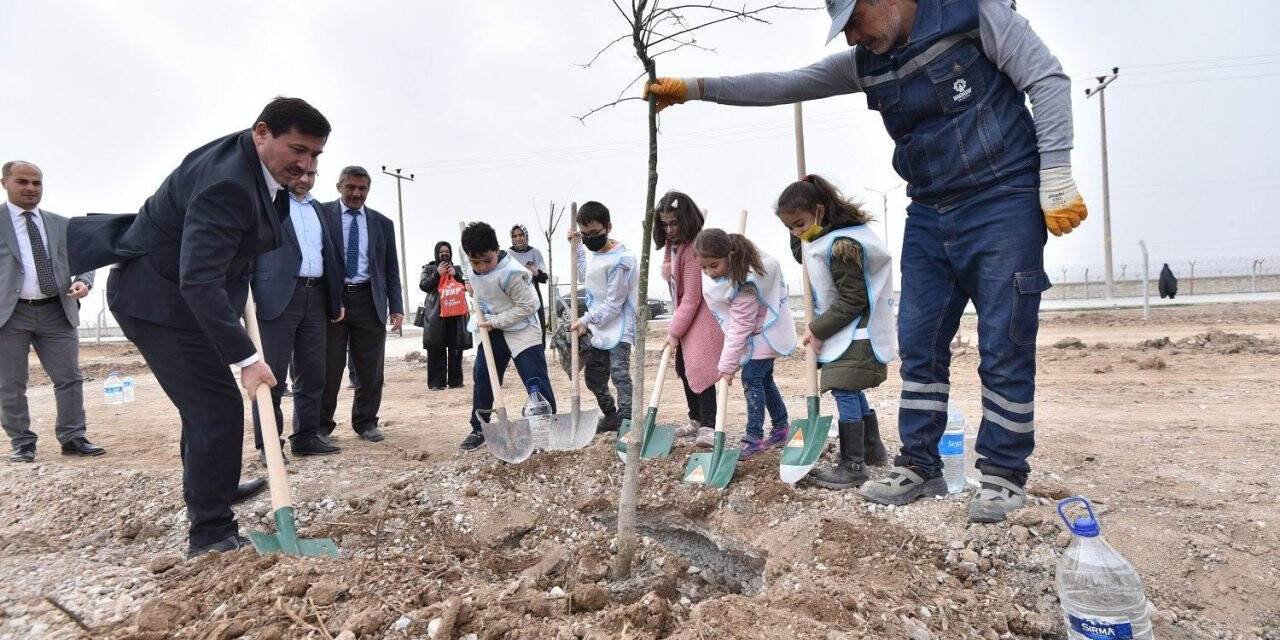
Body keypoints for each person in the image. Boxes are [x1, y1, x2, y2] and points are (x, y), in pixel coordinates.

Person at [645, 0, 1091, 521]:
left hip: (1002, 198)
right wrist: (695, 88)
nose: (852, 38)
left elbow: (1046, 78)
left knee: (1003, 342)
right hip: (930, 209)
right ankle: (919, 464)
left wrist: (1055, 170)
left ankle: (1003, 474)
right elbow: (785, 84)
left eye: (854, 22)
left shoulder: (971, 13)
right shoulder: (867, 62)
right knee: (919, 343)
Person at [66, 97, 329, 556]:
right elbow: (200, 279)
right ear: (262, 133)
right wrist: (248, 358)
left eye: (315, 155)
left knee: (205, 403)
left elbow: (229, 253)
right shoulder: (228, 184)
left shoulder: (253, 162)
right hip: (159, 302)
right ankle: (210, 532)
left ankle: (214, 484)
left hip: (187, 296)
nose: (306, 165)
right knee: (216, 405)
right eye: (298, 149)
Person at [776, 175, 895, 489]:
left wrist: (817, 329)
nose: (797, 232)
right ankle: (872, 449)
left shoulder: (843, 245)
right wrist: (799, 232)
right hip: (849, 330)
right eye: (789, 228)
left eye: (799, 224)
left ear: (820, 210)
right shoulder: (821, 237)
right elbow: (804, 253)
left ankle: (853, 465)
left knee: (843, 388)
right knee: (850, 387)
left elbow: (853, 299)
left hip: (859, 331)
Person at [1, 161, 102, 463]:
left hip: (56, 311)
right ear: (4, 183)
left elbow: (85, 259)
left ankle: (73, 437)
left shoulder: (61, 224)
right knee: (10, 383)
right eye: (22, 182)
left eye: (37, 183)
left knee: (69, 377)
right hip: (9, 315)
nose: (31, 188)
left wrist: (83, 281)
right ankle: (22, 442)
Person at [248, 166, 345, 463]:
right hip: (275, 299)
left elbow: (331, 254)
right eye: (299, 173)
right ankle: (269, 445)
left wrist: (335, 299)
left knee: (313, 374)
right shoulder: (265, 204)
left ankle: (306, 437)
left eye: (311, 174)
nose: (304, 179)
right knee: (272, 376)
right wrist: (246, 299)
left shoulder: (320, 210)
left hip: (315, 297)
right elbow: (248, 252)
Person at [693, 228, 797, 459]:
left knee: (751, 379)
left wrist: (727, 368)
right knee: (764, 380)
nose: (709, 273)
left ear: (730, 255)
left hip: (764, 335)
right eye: (703, 268)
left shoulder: (746, 285)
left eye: (713, 266)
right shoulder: (732, 270)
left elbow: (740, 329)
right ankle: (781, 428)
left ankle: (754, 437)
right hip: (756, 335)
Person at [320, 166, 404, 444]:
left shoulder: (383, 223)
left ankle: (366, 422)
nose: (356, 193)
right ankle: (320, 426)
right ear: (339, 187)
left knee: (371, 369)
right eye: (351, 187)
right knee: (328, 367)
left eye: (362, 188)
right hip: (332, 300)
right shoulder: (322, 215)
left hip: (370, 300)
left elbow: (391, 269)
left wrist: (397, 306)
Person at [459, 222, 557, 451]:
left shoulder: (511, 273)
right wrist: (470, 282)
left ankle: (546, 425)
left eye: (487, 261)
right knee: (483, 376)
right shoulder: (471, 266)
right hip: (492, 328)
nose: (482, 267)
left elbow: (528, 306)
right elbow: (473, 276)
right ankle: (480, 428)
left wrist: (495, 322)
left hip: (523, 329)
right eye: (475, 262)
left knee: (534, 378)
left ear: (497, 250)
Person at [656, 191, 724, 447]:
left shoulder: (694, 250)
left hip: (701, 317)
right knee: (683, 368)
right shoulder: (674, 246)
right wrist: (667, 263)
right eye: (664, 224)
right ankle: (695, 418)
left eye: (674, 223)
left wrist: (674, 333)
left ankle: (708, 424)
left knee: (700, 368)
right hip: (685, 316)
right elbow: (669, 260)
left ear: (686, 220)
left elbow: (692, 297)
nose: (669, 229)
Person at [568, 201, 637, 434]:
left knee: (619, 374)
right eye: (585, 234)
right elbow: (583, 273)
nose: (590, 238)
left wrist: (586, 321)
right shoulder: (595, 255)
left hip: (619, 326)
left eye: (594, 233)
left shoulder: (622, 260)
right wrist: (577, 245)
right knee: (594, 377)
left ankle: (627, 420)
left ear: (608, 227)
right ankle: (611, 416)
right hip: (599, 325)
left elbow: (613, 305)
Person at [420, 241, 471, 390]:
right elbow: (424, 286)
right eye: (441, 252)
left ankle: (456, 382)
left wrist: (457, 275)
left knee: (456, 349)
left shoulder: (458, 269)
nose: (444, 254)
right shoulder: (429, 268)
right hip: (436, 316)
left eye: (447, 251)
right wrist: (437, 273)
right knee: (436, 348)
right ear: (436, 253)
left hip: (456, 315)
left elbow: (468, 286)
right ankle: (437, 383)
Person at [508, 225, 549, 344]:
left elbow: (544, 278)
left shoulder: (535, 253)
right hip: (515, 298)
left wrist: (535, 272)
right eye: (515, 236)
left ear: (526, 236)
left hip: (533, 295)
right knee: (518, 330)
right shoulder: (508, 255)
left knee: (539, 327)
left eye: (521, 235)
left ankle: (540, 351)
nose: (518, 238)